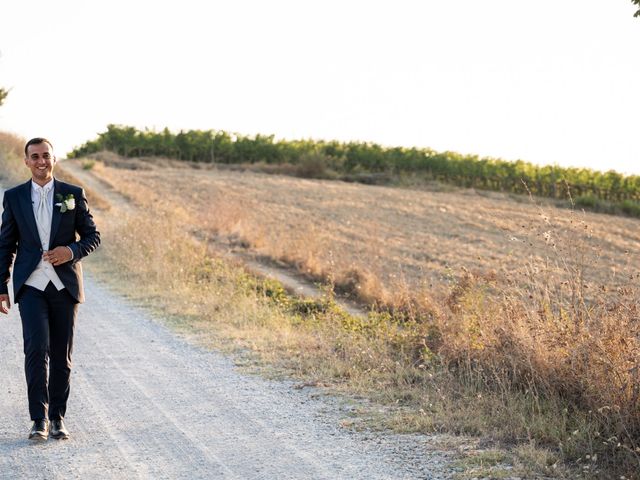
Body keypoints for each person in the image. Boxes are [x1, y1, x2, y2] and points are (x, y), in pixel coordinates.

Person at [0, 138, 100, 441]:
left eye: (46, 156)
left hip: (64, 286)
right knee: (35, 350)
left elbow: (92, 236)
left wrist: (70, 251)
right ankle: (39, 419)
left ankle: (58, 417)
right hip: (31, 286)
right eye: (35, 157)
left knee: (61, 354)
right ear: (27, 161)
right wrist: (2, 285)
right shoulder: (14, 197)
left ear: (53, 159)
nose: (41, 161)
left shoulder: (72, 194)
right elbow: (6, 244)